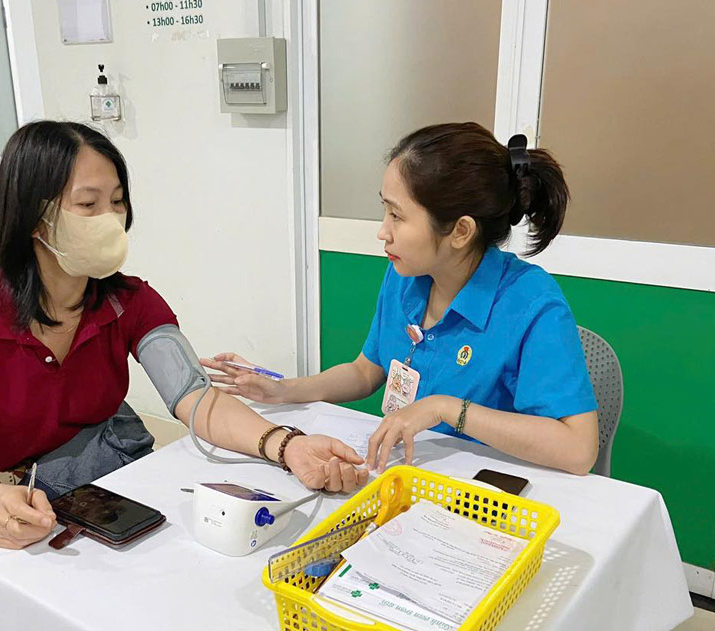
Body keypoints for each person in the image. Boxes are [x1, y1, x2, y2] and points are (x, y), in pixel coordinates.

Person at [0, 121, 369, 550]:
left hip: (98, 485)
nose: (111, 219)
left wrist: (285, 444)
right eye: (88, 204)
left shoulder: (129, 301)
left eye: (117, 201)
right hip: (4, 497)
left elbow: (196, 398)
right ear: (34, 217)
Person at [203, 122, 599, 476]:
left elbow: (578, 449)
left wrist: (445, 408)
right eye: (384, 210)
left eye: (397, 216)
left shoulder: (530, 303)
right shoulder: (405, 275)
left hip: (484, 499)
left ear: (460, 231)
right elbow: (365, 372)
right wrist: (284, 389)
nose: (382, 232)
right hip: (406, 477)